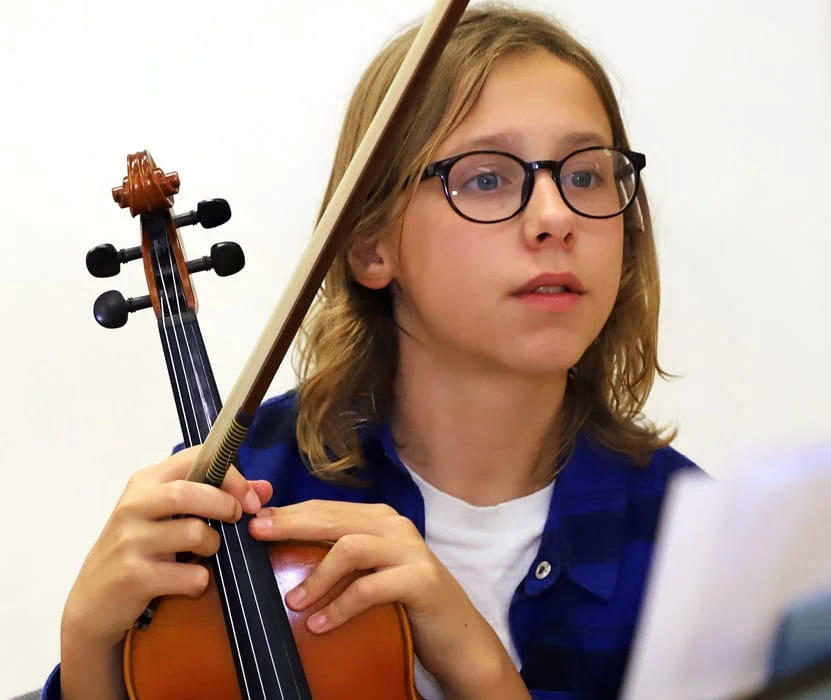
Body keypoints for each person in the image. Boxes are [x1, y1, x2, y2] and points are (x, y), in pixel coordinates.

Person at [42, 4, 704, 698]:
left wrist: (477, 667)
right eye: (487, 178)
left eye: (585, 175)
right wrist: (89, 642)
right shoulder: (244, 494)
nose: (554, 218)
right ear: (369, 244)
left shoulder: (692, 543)